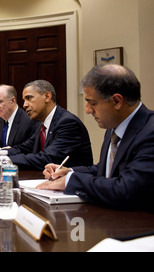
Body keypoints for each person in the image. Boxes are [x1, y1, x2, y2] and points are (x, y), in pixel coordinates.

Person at [38, 64, 154, 212]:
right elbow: (105, 170)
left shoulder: (150, 132)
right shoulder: (113, 127)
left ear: (117, 101)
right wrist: (70, 172)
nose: (87, 110)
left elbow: (127, 189)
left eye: (92, 103)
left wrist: (71, 181)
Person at [0, 80, 93, 170]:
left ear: (47, 97)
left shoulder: (67, 122)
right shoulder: (40, 124)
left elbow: (47, 158)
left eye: (29, 98)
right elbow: (24, 148)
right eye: (24, 100)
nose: (24, 105)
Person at [0, 85, 38, 152]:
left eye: (0, 102)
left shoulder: (27, 121)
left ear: (12, 101)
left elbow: (27, 148)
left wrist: (5, 153)